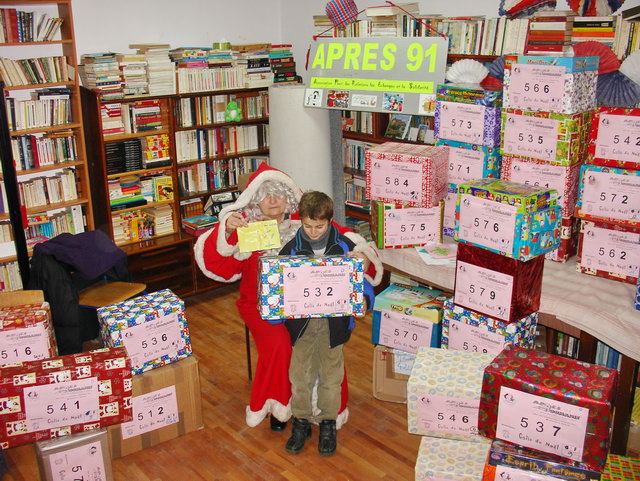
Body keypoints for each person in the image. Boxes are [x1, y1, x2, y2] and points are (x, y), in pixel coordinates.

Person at [194, 164, 382, 430]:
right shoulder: (247, 230)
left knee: (325, 340)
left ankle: (323, 408)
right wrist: (226, 231)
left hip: (306, 304)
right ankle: (279, 405)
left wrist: (362, 257)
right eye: (266, 195)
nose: (272, 201)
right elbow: (218, 266)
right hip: (259, 306)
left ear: (289, 198)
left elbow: (351, 244)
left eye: (278, 195)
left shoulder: (302, 224)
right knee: (281, 345)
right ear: (254, 199)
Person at [278, 191, 376, 456]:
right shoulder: (289, 250)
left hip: (334, 326)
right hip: (302, 327)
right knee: (300, 377)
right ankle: (300, 421)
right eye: (307, 225)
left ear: (330, 220)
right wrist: (276, 306)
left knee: (331, 377)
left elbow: (363, 284)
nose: (312, 232)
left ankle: (328, 423)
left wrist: (365, 300)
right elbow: (278, 290)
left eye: (319, 226)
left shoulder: (345, 246)